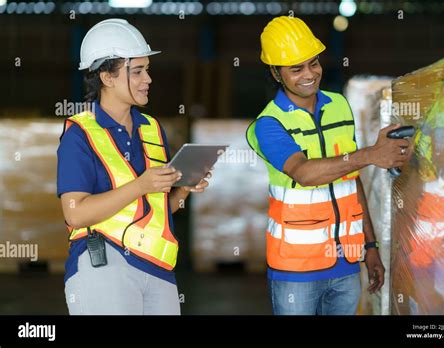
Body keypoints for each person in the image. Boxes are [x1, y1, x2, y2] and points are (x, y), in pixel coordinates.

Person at [246, 16, 413, 315]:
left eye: (314, 63)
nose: (309, 74)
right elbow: (304, 173)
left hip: (346, 264)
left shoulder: (339, 105)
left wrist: (370, 248)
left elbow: (352, 180)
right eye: (296, 69)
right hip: (295, 271)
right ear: (275, 72)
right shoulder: (268, 124)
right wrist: (371, 154)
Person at [57, 18, 210, 315]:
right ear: (107, 76)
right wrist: (141, 184)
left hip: (158, 267)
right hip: (103, 265)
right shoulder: (79, 135)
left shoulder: (151, 129)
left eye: (147, 70)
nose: (148, 79)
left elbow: (153, 208)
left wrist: (183, 191)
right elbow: (74, 213)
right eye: (137, 71)